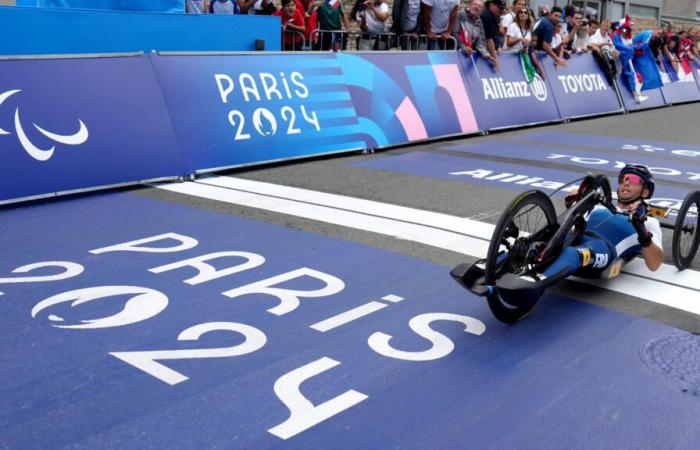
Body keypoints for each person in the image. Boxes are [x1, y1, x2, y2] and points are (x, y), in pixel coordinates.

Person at [457, 0, 496, 66]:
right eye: (475, 4)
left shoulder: (479, 21)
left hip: (469, 53)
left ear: (482, 10)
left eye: (480, 6)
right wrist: (464, 47)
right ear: (469, 5)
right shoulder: (461, 14)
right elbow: (455, 33)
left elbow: (480, 41)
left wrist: (486, 54)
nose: (477, 7)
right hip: (457, 52)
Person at [531, 5, 567, 70]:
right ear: (550, 14)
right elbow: (545, 46)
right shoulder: (549, 25)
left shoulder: (541, 19)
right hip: (532, 52)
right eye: (555, 15)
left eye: (559, 16)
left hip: (532, 50)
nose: (557, 18)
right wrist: (557, 58)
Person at [480, 0, 505, 68]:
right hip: (484, 51)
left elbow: (497, 35)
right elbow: (488, 39)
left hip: (493, 50)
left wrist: (498, 46)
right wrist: (495, 59)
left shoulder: (496, 16)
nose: (501, 10)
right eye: (498, 7)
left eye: (502, 8)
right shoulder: (487, 16)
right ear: (492, 5)